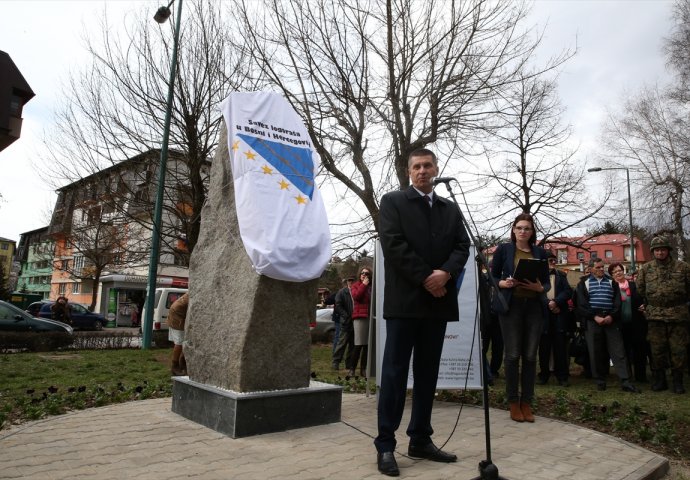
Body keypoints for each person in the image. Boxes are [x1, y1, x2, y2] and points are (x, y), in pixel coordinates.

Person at [374, 148, 470, 477]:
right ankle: (386, 444)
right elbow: (393, 244)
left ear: (436, 168)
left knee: (428, 373)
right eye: (416, 166)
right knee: (395, 374)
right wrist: (428, 278)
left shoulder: (450, 208)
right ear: (408, 171)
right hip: (405, 303)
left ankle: (420, 439)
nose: (423, 171)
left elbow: (462, 246)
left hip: (437, 303)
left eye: (428, 165)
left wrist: (446, 273)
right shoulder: (393, 202)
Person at [490, 213, 550, 423]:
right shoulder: (504, 250)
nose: (523, 231)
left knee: (531, 357)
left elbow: (546, 282)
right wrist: (502, 284)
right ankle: (513, 402)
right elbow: (491, 275)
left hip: (534, 307)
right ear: (514, 230)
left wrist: (540, 288)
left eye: (527, 228)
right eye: (519, 228)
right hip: (511, 306)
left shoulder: (540, 252)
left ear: (532, 232)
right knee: (513, 355)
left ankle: (527, 402)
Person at [576, 258, 639, 393]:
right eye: (598, 267)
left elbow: (618, 301)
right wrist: (594, 317)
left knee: (618, 350)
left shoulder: (611, 282)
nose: (601, 270)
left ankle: (625, 381)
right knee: (596, 351)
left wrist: (612, 315)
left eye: (602, 267)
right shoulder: (583, 283)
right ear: (591, 268)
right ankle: (600, 380)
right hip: (593, 320)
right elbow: (581, 304)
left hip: (611, 318)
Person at [636, 236, 690, 394]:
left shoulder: (683, 267)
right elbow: (640, 289)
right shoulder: (646, 269)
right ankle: (660, 380)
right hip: (655, 316)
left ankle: (678, 382)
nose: (660, 252)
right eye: (657, 250)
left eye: (663, 249)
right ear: (653, 252)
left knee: (678, 350)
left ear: (668, 250)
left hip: (678, 315)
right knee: (657, 350)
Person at [538, 251, 574, 387]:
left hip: (559, 316)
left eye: (554, 260)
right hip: (543, 317)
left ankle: (562, 376)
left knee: (560, 348)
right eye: (549, 260)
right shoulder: (538, 276)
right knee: (544, 349)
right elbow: (537, 293)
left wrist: (556, 302)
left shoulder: (561, 275)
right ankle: (544, 375)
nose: (552, 263)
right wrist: (549, 304)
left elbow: (568, 291)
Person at [608, 262, 649, 383]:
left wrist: (644, 305)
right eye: (614, 272)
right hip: (619, 325)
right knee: (623, 351)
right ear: (611, 275)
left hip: (636, 323)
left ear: (623, 271)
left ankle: (641, 376)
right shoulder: (611, 287)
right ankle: (627, 376)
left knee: (639, 350)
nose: (618, 273)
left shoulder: (634, 285)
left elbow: (644, 297)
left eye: (619, 270)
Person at [350, 267, 372, 377]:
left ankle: (363, 369)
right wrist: (363, 285)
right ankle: (352, 368)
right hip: (359, 317)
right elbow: (357, 297)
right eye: (362, 273)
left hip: (370, 318)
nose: (364, 274)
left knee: (367, 346)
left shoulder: (371, 287)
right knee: (358, 344)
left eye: (366, 273)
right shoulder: (355, 286)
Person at [332, 277, 355, 373]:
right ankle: (336, 362)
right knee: (342, 343)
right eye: (349, 281)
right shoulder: (342, 292)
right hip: (345, 322)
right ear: (346, 282)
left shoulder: (357, 291)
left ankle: (348, 364)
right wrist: (345, 315)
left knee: (353, 345)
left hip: (355, 321)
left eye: (352, 280)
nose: (351, 282)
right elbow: (338, 305)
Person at [166, 292, 189, 376]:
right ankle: (174, 366)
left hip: (178, 314)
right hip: (177, 317)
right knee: (179, 343)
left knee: (184, 342)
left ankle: (182, 363)